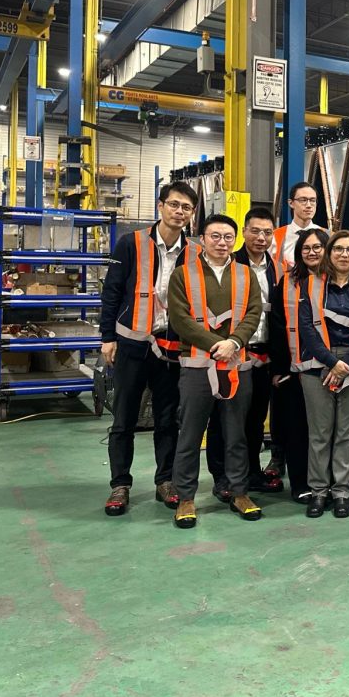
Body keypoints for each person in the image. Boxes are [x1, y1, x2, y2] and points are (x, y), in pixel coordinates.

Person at [98, 181, 201, 517]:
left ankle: (165, 481)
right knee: (124, 418)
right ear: (161, 206)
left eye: (186, 208)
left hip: (171, 350)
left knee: (168, 419)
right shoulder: (131, 243)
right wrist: (108, 337)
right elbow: (112, 292)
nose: (179, 212)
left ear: (192, 214)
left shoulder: (195, 252)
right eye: (174, 204)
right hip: (132, 345)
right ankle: (120, 484)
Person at [167, 214, 263, 529]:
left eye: (227, 237)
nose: (222, 243)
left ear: (235, 240)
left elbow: (253, 313)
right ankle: (185, 497)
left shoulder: (246, 275)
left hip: (236, 366)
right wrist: (215, 345)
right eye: (215, 236)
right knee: (190, 434)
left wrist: (234, 342)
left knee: (236, 434)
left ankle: (239, 492)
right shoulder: (183, 275)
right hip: (197, 367)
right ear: (202, 239)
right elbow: (180, 319)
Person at [297, 229, 349, 519]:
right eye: (338, 249)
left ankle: (342, 492)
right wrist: (332, 362)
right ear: (329, 253)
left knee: (347, 433)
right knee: (320, 433)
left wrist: (348, 363)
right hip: (317, 363)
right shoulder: (310, 285)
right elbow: (306, 328)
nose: (344, 254)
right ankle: (319, 491)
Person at [206, 207, 281, 501]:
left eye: (267, 232)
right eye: (255, 231)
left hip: (263, 355)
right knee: (224, 419)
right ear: (244, 232)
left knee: (255, 419)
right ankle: (222, 476)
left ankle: (250, 472)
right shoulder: (230, 263)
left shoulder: (276, 268)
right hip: (232, 353)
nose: (261, 237)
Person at [267, 227, 329, 503]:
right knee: (297, 428)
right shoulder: (287, 282)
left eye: (317, 247)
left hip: (328, 368)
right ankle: (301, 483)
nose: (312, 252)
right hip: (294, 369)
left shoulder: (336, 280)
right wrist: (280, 368)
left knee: (326, 430)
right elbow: (277, 326)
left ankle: (325, 482)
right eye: (306, 248)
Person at [272, 181, 323, 269]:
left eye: (312, 200)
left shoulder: (327, 236)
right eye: (303, 200)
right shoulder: (275, 236)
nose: (309, 205)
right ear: (291, 203)